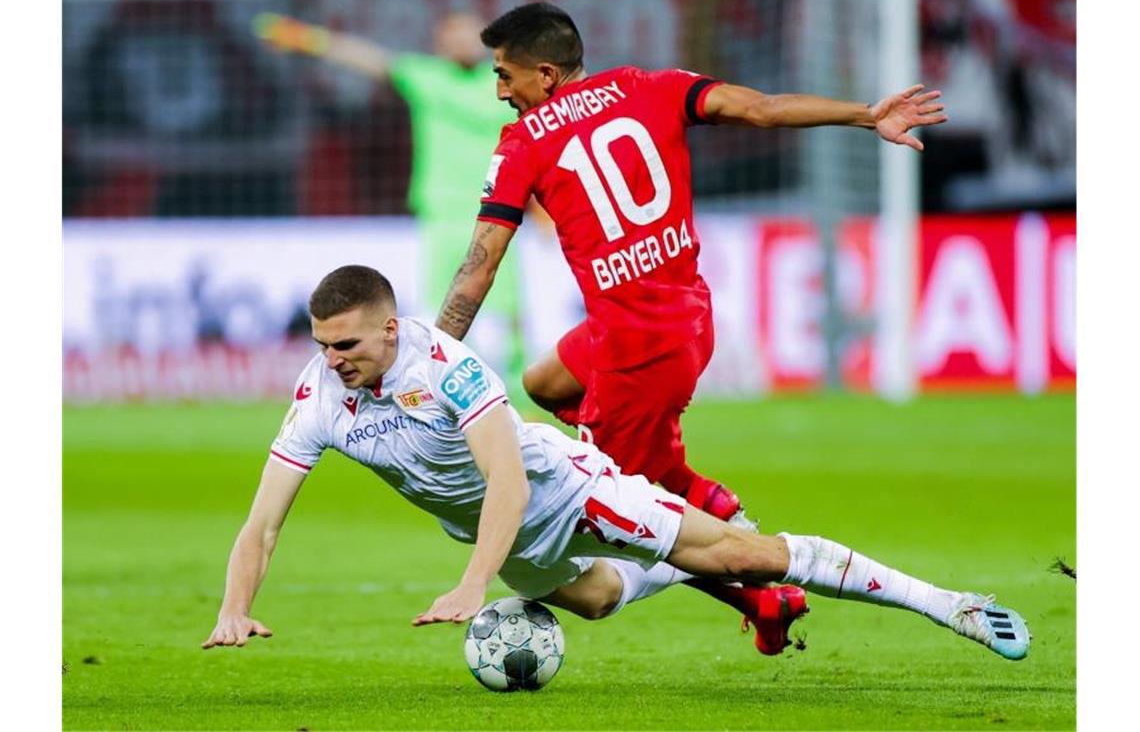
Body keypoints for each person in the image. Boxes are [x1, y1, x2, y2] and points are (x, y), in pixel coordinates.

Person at [202, 265, 1029, 664]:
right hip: (491, 529)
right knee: (596, 601)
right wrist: (235, 608)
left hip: (563, 489)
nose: (331, 358)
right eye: (321, 344)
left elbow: (511, 480)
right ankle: (671, 555)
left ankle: (948, 604)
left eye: (344, 343)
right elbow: (262, 522)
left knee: (745, 555)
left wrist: (472, 585)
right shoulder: (318, 395)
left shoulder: (444, 364)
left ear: (389, 330)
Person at [434, 2, 949, 528]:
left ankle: (767, 594)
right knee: (545, 383)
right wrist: (866, 114)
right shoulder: (651, 85)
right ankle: (686, 485)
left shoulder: (522, 142)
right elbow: (763, 109)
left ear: (545, 75)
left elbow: (480, 266)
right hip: (689, 321)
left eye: (504, 76)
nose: (499, 92)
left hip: (632, 349)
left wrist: (432, 362)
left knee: (607, 522)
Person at [255, 10, 525, 394]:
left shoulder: (504, 85)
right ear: (442, 45)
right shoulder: (429, 79)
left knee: (501, 321)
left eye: (470, 35)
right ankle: (439, 399)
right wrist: (305, 39)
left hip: (499, 214)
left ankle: (510, 404)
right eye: (455, 36)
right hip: (442, 216)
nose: (464, 43)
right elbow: (368, 59)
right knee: (441, 314)